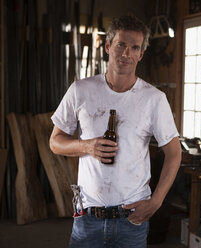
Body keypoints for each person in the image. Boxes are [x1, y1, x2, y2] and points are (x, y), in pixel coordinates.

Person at [49, 14, 181, 248]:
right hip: (88, 216)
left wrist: (156, 201)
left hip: (132, 218)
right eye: (121, 44)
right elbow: (55, 142)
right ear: (108, 46)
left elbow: (174, 153)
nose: (126, 53)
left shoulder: (154, 99)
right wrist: (86, 146)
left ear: (141, 55)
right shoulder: (81, 90)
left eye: (134, 48)